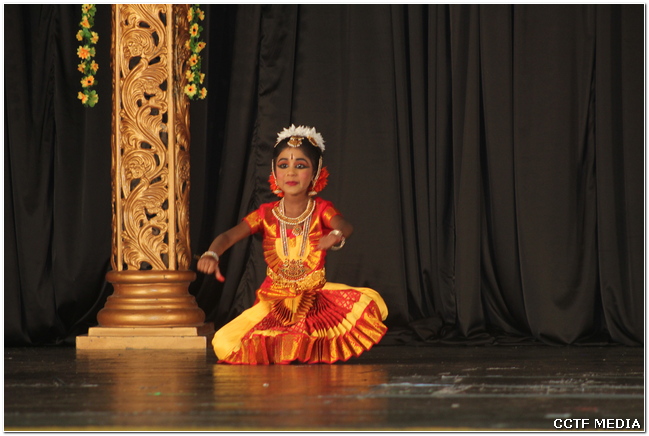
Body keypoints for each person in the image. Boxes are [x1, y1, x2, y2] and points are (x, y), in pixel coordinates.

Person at [198, 125, 388, 364]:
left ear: (315, 173)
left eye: (300, 166)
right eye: (283, 165)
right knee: (224, 343)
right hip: (274, 302)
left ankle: (298, 349)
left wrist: (336, 234)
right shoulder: (266, 215)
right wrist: (212, 254)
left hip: (314, 302)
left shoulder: (320, 210)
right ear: (274, 172)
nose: (290, 173)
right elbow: (228, 237)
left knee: (364, 305)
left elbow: (345, 225)